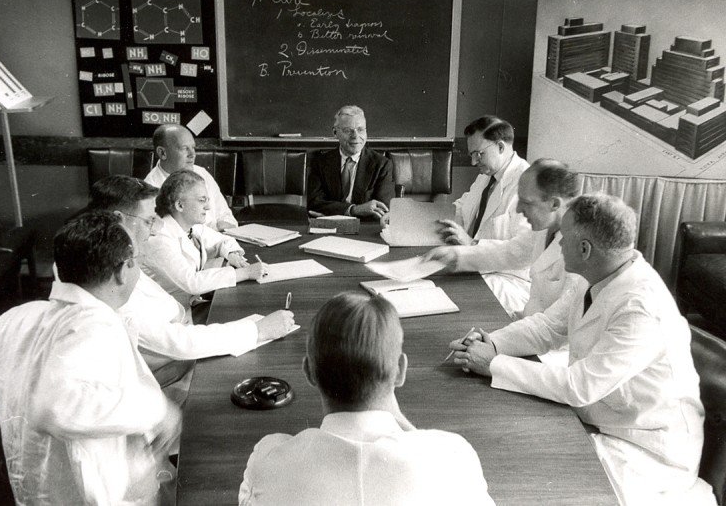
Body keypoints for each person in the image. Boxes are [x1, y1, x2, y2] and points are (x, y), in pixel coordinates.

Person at [448, 194, 715, 505]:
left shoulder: (641, 307)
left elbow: (580, 386)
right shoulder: (598, 275)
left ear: (585, 249)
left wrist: (494, 364)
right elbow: (547, 327)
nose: (558, 243)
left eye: (564, 236)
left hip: (646, 449)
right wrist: (492, 342)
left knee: (529, 484)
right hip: (605, 420)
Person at [0, 212, 180, 505]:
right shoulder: (96, 324)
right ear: (123, 270)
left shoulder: (19, 317)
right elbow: (57, 406)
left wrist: (17, 378)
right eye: (137, 261)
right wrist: (159, 411)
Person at [239, 292, 494, 505]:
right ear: (401, 371)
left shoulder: (269, 458)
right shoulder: (453, 457)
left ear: (308, 372)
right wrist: (400, 419)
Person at [88, 175, 295, 404]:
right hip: (167, 380)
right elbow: (177, 342)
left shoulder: (123, 258)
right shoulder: (110, 278)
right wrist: (257, 331)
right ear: (119, 220)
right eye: (149, 220)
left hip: (182, 354)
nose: (155, 230)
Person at [426, 159, 582, 317]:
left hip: (545, 333)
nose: (519, 209)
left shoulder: (580, 254)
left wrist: (502, 337)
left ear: (554, 204)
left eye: (526, 202)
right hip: (531, 323)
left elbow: (558, 327)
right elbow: (510, 252)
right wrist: (455, 255)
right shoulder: (545, 229)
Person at [141, 169, 267, 307]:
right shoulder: (160, 237)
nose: (207, 207)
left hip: (190, 303)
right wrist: (246, 273)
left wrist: (232, 254)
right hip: (171, 315)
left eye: (207, 200)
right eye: (202, 200)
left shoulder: (192, 227)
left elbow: (224, 240)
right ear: (180, 205)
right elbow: (192, 282)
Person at [440, 115, 530, 247]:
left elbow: (521, 250)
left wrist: (471, 244)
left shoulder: (526, 184)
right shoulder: (486, 175)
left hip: (493, 267)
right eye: (472, 155)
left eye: (479, 154)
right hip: (469, 259)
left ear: (500, 147)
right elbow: (463, 207)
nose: (473, 162)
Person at [307, 105, 395, 221]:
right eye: (348, 130)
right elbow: (314, 204)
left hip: (363, 230)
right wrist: (354, 210)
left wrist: (332, 212)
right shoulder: (320, 162)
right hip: (329, 228)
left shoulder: (382, 164)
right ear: (335, 132)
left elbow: (382, 210)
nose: (355, 136)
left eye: (360, 129)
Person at [144, 123, 238, 231]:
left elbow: (225, 215)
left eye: (193, 148)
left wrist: (226, 227)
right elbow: (168, 234)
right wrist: (214, 232)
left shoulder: (201, 173)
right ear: (162, 153)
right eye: (184, 148)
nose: (192, 154)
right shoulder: (150, 190)